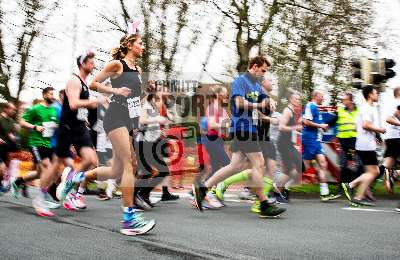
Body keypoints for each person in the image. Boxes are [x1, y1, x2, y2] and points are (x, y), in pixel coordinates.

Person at [57, 27, 156, 235]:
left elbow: (134, 101)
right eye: (140, 43)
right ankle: (129, 218)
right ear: (129, 45)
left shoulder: (137, 71)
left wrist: (139, 115)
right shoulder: (117, 65)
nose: (143, 46)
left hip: (127, 121)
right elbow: (94, 84)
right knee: (129, 163)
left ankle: (77, 178)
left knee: (116, 171)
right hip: (114, 118)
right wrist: (114, 90)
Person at [192, 56, 286, 218]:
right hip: (243, 128)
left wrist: (270, 101)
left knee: (234, 166)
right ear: (255, 67)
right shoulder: (240, 81)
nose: (263, 74)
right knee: (259, 164)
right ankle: (263, 204)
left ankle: (203, 189)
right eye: (263, 70)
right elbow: (238, 103)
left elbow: (264, 101)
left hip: (249, 129)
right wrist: (258, 105)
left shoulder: (256, 84)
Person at [12, 87, 60, 211]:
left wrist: (56, 126)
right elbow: (22, 121)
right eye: (50, 94)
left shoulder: (54, 111)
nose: (52, 96)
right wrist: (35, 127)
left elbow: (54, 125)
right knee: (47, 169)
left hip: (48, 144)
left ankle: (18, 181)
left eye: (53, 94)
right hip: (36, 143)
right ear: (44, 95)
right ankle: (43, 198)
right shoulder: (36, 109)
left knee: (39, 173)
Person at [342, 86, 386, 206]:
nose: (377, 95)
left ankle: (353, 188)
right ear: (370, 95)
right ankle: (356, 193)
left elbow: (356, 127)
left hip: (364, 143)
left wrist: (374, 136)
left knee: (373, 171)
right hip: (366, 145)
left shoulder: (364, 108)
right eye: (376, 93)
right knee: (374, 172)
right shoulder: (368, 108)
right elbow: (366, 125)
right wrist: (380, 130)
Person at [302, 90, 341, 201]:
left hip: (316, 140)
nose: (323, 98)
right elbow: (306, 122)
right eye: (322, 96)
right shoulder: (310, 105)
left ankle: (324, 194)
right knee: (306, 167)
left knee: (323, 164)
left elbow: (317, 125)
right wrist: (320, 125)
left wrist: (323, 127)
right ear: (315, 96)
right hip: (310, 139)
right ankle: (282, 186)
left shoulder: (317, 109)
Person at [275, 90, 302, 203]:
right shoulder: (287, 111)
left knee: (290, 170)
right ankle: (277, 192)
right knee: (296, 167)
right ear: (291, 99)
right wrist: (295, 128)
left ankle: (281, 191)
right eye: (296, 99)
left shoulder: (292, 111)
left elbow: (290, 128)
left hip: (287, 143)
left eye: (299, 99)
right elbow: (281, 127)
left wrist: (298, 131)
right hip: (283, 144)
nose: (298, 101)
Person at [335, 92, 362, 186]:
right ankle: (342, 186)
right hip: (344, 142)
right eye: (342, 100)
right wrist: (337, 139)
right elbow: (336, 123)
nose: (343, 101)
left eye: (345, 99)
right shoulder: (340, 110)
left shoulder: (359, 110)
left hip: (356, 142)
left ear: (351, 100)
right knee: (344, 165)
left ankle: (353, 186)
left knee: (357, 165)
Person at [380, 87, 400, 193]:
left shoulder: (391, 103)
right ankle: (392, 174)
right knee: (388, 163)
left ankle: (390, 175)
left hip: (391, 137)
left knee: (388, 162)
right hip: (396, 137)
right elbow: (388, 119)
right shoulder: (397, 103)